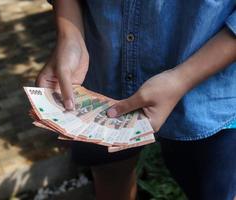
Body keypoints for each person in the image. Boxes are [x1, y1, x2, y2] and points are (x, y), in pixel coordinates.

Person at [35, 1, 236, 200]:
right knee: (110, 174)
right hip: (103, 67)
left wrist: (184, 78)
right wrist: (70, 35)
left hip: (210, 86)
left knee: (215, 191)